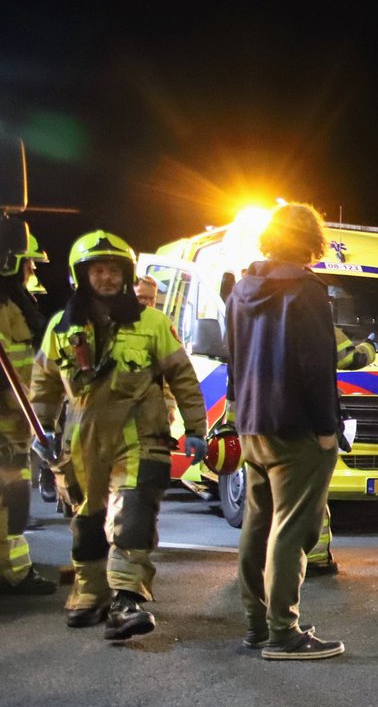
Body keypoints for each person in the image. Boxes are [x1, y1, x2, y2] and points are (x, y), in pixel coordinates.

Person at [28, 231, 207, 638]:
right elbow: (44, 386)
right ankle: (88, 595)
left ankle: (127, 600)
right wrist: (40, 432)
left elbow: (182, 376)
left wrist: (196, 429)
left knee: (134, 515)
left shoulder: (152, 323)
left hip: (140, 437)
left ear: (126, 275)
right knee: (85, 520)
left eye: (113, 270)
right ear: (82, 275)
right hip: (81, 439)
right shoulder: (61, 326)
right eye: (98, 270)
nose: (106, 278)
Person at [226, 203, 345, 660]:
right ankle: (284, 632)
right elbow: (315, 366)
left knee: (257, 526)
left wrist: (240, 414)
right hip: (296, 427)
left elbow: (233, 357)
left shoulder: (241, 289)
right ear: (311, 242)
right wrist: (326, 429)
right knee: (292, 530)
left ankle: (257, 626)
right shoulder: (307, 291)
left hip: (254, 423)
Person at [0, 221, 54, 596]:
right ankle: (14, 574)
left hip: (15, 429)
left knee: (13, 507)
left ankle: (14, 571)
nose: (32, 269)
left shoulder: (17, 303)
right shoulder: (7, 309)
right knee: (10, 506)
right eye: (27, 262)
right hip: (7, 427)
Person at [304, 324, 376, 575]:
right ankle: (315, 558)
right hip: (311, 425)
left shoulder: (256, 316)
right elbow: (351, 357)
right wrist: (372, 347)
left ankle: (265, 559)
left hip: (267, 423)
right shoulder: (312, 314)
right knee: (313, 494)